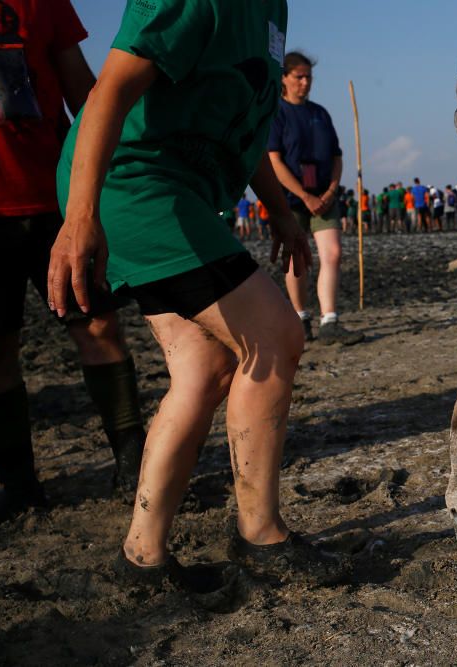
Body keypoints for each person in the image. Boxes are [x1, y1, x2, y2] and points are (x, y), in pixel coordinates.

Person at [50, 0, 347, 584]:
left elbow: (246, 121)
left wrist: (279, 210)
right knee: (275, 332)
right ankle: (260, 535)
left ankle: (143, 556)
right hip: (133, 183)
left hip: (185, 194)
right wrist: (81, 216)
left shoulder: (270, 8)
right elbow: (107, 91)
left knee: (205, 368)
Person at [0, 0, 146, 520]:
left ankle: (135, 468)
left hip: (59, 201)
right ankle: (20, 489)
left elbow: (85, 94)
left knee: (98, 327)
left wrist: (108, 186)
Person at [267, 52, 363, 345]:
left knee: (332, 254)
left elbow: (336, 156)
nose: (306, 82)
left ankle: (330, 320)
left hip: (325, 196)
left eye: (309, 76)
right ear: (284, 78)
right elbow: (274, 161)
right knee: (296, 258)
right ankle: (300, 317)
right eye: (299, 76)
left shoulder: (320, 113)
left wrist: (331, 190)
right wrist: (303, 195)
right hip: (290, 198)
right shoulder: (276, 113)